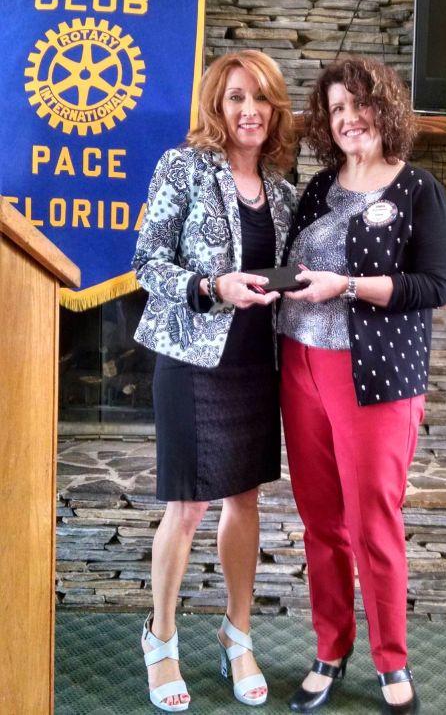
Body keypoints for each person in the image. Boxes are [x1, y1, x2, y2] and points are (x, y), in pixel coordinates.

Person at [278, 56, 446, 714]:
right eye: (337, 109)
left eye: (360, 103)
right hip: (300, 366)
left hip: (375, 376)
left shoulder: (417, 189)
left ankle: (391, 660)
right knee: (320, 522)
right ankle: (330, 648)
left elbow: (436, 285)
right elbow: (295, 269)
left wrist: (348, 286)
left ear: (386, 108)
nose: (349, 118)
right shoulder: (318, 188)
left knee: (372, 521)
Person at [132, 49, 297, 712]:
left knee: (244, 500)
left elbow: (281, 274)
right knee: (188, 505)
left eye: (260, 98)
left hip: (256, 361)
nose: (249, 110)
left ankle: (238, 633)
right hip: (191, 356)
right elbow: (147, 262)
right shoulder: (184, 167)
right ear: (216, 105)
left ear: (275, 108)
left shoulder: (282, 189)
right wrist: (210, 286)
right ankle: (161, 638)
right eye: (236, 97)